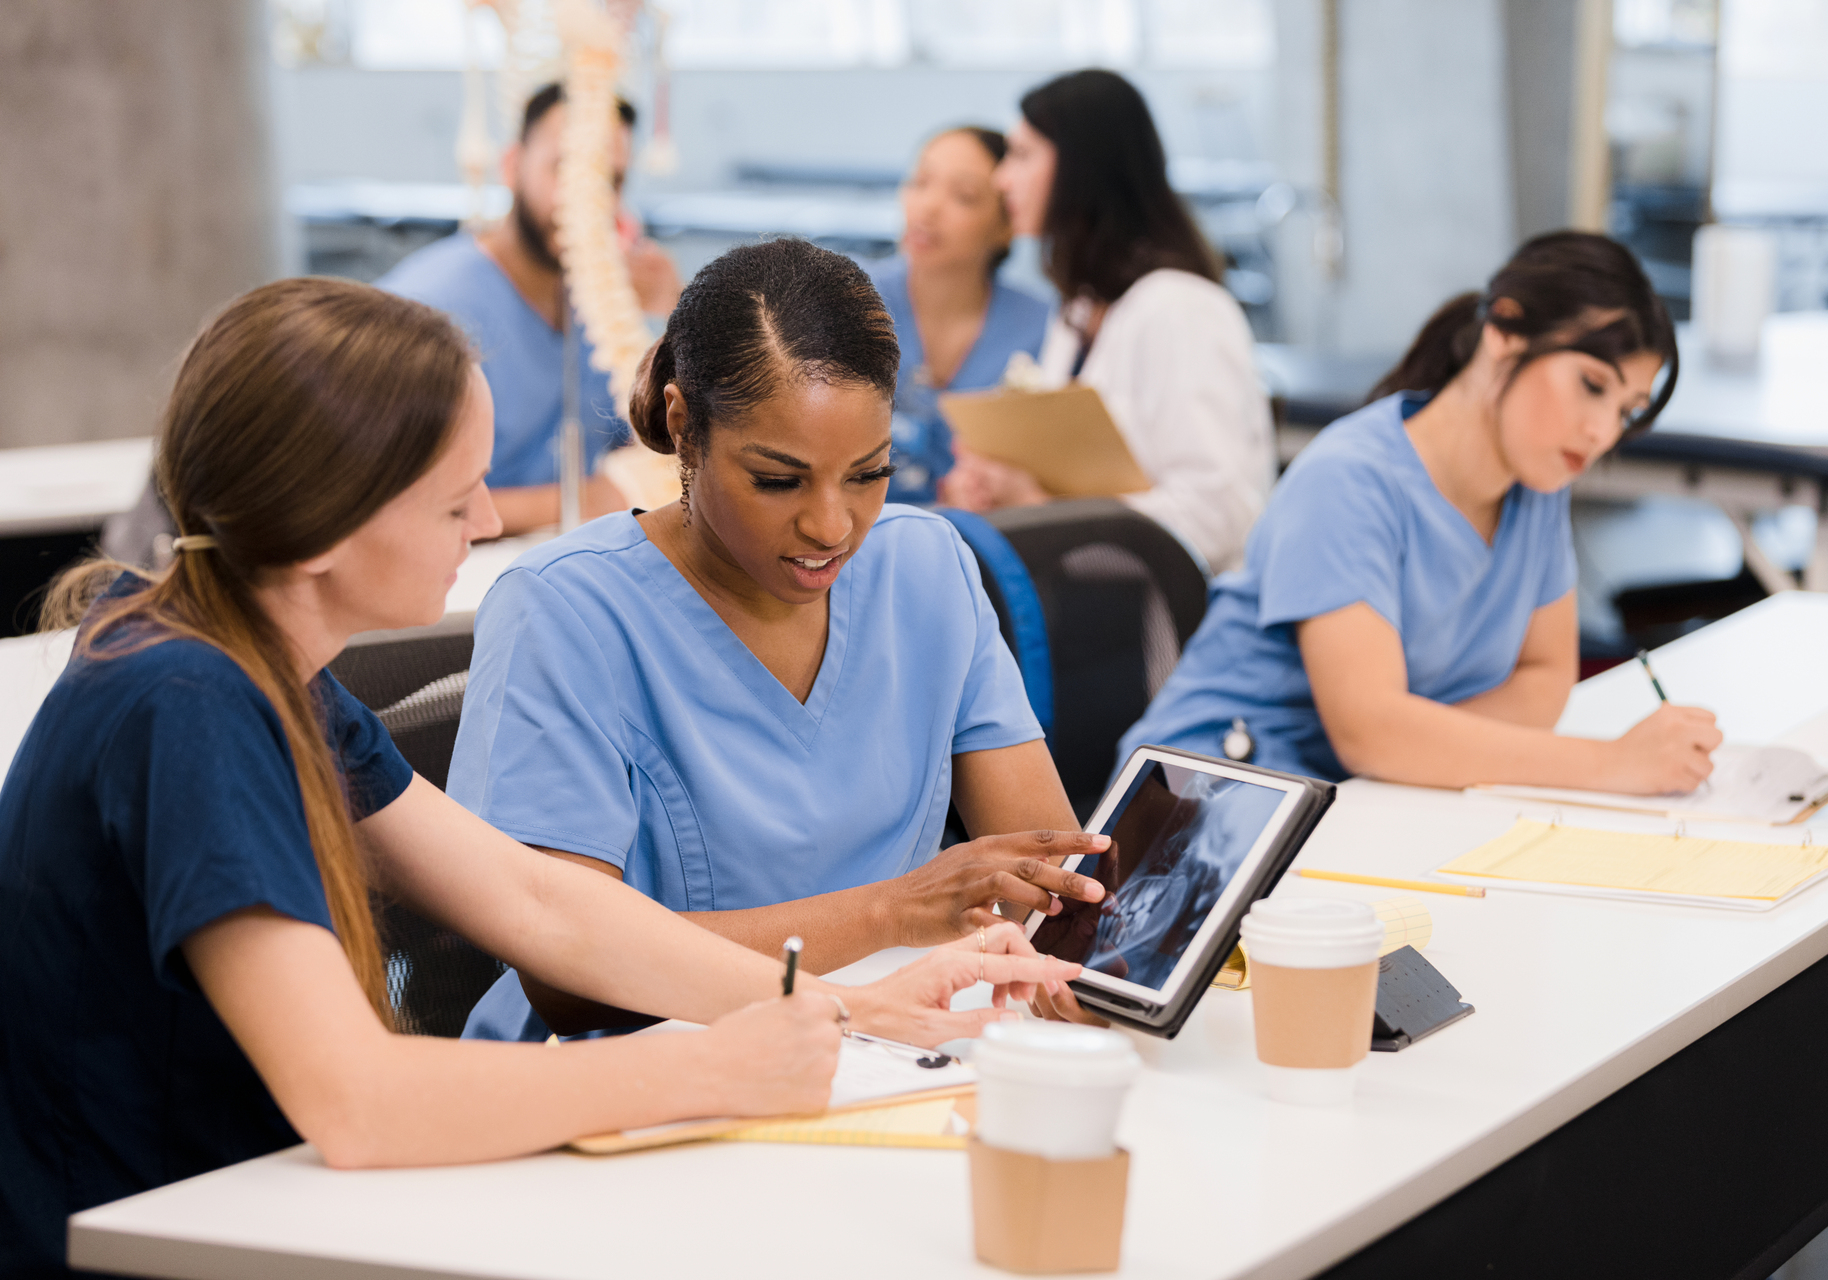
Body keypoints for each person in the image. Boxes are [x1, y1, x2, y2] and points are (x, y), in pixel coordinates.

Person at [0, 277, 1080, 1277]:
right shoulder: (185, 702)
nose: (484, 524)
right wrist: (714, 1068)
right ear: (325, 523)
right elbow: (359, 1100)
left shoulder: (261, 670)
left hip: (244, 1214)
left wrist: (847, 1007)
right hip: (141, 1238)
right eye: (455, 497)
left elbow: (538, 899)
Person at [450, 238, 1111, 1043]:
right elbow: (572, 980)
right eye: (777, 480)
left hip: (883, 1053)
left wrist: (1085, 955)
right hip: (633, 1082)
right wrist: (888, 914)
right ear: (683, 425)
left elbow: (1042, 882)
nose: (831, 526)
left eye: (869, 473)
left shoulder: (925, 567)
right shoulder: (562, 611)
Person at [1117, 231, 1724, 794]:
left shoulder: (1538, 481)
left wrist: (1418, 749)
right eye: (1593, 385)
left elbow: (1543, 677)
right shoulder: (1349, 479)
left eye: (1626, 410)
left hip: (1358, 798)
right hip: (1204, 798)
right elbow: (1369, 731)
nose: (1600, 432)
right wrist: (1611, 764)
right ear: (1504, 332)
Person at [938, 69, 1275, 574]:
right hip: (1099, 609)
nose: (1001, 178)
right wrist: (999, 485)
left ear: (1084, 167)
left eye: (1023, 155)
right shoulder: (1080, 309)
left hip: (1181, 625)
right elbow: (1070, 483)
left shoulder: (1179, 310)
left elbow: (1218, 515)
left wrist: (1043, 512)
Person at [379, 83, 683, 536]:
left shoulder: (608, 305)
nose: (587, 203)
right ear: (511, 166)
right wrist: (597, 500)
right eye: (565, 170)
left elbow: (659, 444)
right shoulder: (425, 308)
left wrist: (674, 317)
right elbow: (388, 505)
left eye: (611, 181)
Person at [865, 127, 1051, 504]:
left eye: (963, 197)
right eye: (920, 182)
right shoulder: (847, 300)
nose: (928, 207)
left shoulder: (1046, 330)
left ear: (1008, 223)